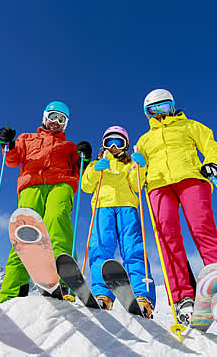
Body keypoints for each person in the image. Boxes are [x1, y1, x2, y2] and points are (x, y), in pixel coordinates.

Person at [135, 88, 217, 325]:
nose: (159, 114)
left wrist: (213, 163)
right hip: (157, 186)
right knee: (167, 238)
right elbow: (138, 172)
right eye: (152, 110)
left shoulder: (190, 126)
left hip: (191, 178)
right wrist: (138, 170)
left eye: (163, 107)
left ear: (172, 106)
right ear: (146, 114)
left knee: (203, 229)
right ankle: (182, 297)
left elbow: (211, 146)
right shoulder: (143, 140)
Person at [0, 101, 92, 303]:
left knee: (57, 220)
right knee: (25, 233)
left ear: (66, 124)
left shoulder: (69, 147)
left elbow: (82, 172)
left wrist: (85, 157)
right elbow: (12, 160)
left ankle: (63, 283)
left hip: (61, 184)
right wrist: (9, 144)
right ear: (45, 117)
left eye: (62, 119)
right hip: (31, 185)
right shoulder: (27, 138)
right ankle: (11, 294)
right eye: (53, 117)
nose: (56, 122)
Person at [81, 126, 156, 318]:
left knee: (133, 249)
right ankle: (102, 294)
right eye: (109, 142)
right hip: (102, 207)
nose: (114, 146)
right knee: (100, 249)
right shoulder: (98, 163)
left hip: (127, 207)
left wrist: (141, 166)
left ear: (126, 145)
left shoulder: (129, 163)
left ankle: (142, 296)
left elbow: (136, 185)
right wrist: (97, 169)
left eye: (119, 142)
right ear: (104, 144)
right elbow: (86, 186)